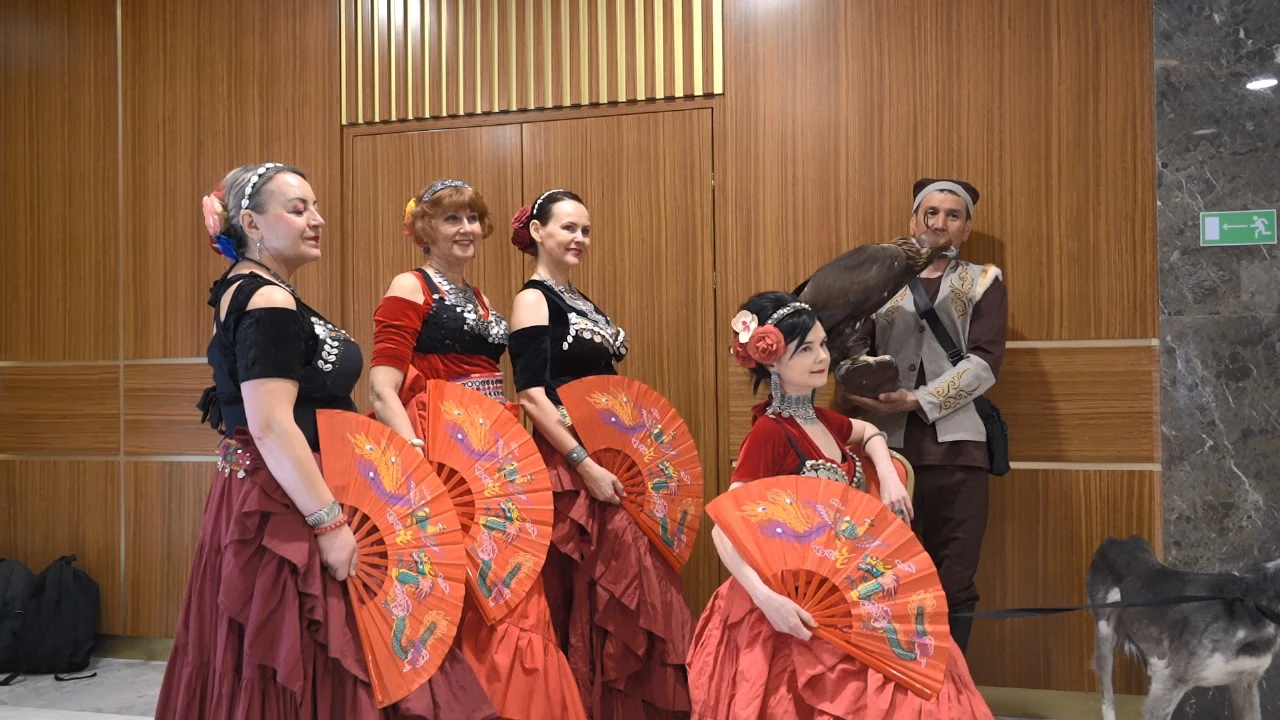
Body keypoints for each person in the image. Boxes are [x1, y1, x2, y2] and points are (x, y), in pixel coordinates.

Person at [158, 163, 496, 720]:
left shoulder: (257, 290)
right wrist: (329, 523)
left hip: (284, 488)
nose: (316, 219)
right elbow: (271, 425)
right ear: (251, 224)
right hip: (286, 502)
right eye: (298, 210)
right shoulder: (266, 300)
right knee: (308, 653)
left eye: (314, 207)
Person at [687, 291, 994, 720]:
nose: (822, 358)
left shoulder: (822, 420)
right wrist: (766, 599)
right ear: (771, 361)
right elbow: (724, 526)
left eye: (823, 345)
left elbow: (868, 433)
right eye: (805, 349)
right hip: (794, 597)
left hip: (847, 584)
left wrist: (887, 473)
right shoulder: (769, 434)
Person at [368, 179, 586, 720]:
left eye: (471, 218)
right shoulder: (410, 285)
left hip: (489, 451)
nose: (466, 229)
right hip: (438, 451)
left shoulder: (480, 296)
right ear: (424, 229)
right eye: (451, 219)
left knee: (507, 580)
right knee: (457, 585)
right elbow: (381, 388)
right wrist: (416, 458)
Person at [506, 189, 693, 718]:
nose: (579, 238)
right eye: (568, 228)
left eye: (585, 230)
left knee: (627, 583)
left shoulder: (580, 299)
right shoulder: (533, 300)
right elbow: (532, 396)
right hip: (570, 465)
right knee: (594, 589)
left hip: (610, 460)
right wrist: (582, 464)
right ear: (537, 231)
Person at [841, 177, 1008, 655]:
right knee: (883, 574)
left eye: (953, 215)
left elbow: (983, 363)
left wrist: (916, 400)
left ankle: (950, 688)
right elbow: (851, 346)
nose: (939, 223)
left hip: (959, 454)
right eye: (930, 213)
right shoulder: (878, 281)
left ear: (966, 229)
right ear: (913, 220)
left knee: (954, 578)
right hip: (883, 452)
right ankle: (892, 682)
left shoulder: (984, 280)